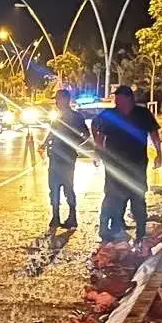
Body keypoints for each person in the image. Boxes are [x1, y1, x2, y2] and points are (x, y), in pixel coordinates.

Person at [92, 85, 162, 243]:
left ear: (129, 99)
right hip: (114, 164)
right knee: (112, 196)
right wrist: (97, 153)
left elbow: (154, 134)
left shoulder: (142, 114)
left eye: (119, 99)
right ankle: (108, 228)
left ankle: (141, 232)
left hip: (137, 163)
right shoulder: (110, 115)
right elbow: (99, 135)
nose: (116, 102)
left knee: (137, 196)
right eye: (115, 99)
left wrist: (159, 153)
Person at [40, 89, 91, 231]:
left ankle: (72, 216)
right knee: (54, 187)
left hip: (67, 157)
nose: (56, 101)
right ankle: (55, 216)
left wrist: (74, 143)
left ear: (65, 100)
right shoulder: (58, 117)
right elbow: (52, 132)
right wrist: (44, 144)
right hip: (55, 155)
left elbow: (85, 134)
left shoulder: (76, 117)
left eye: (58, 99)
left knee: (68, 187)